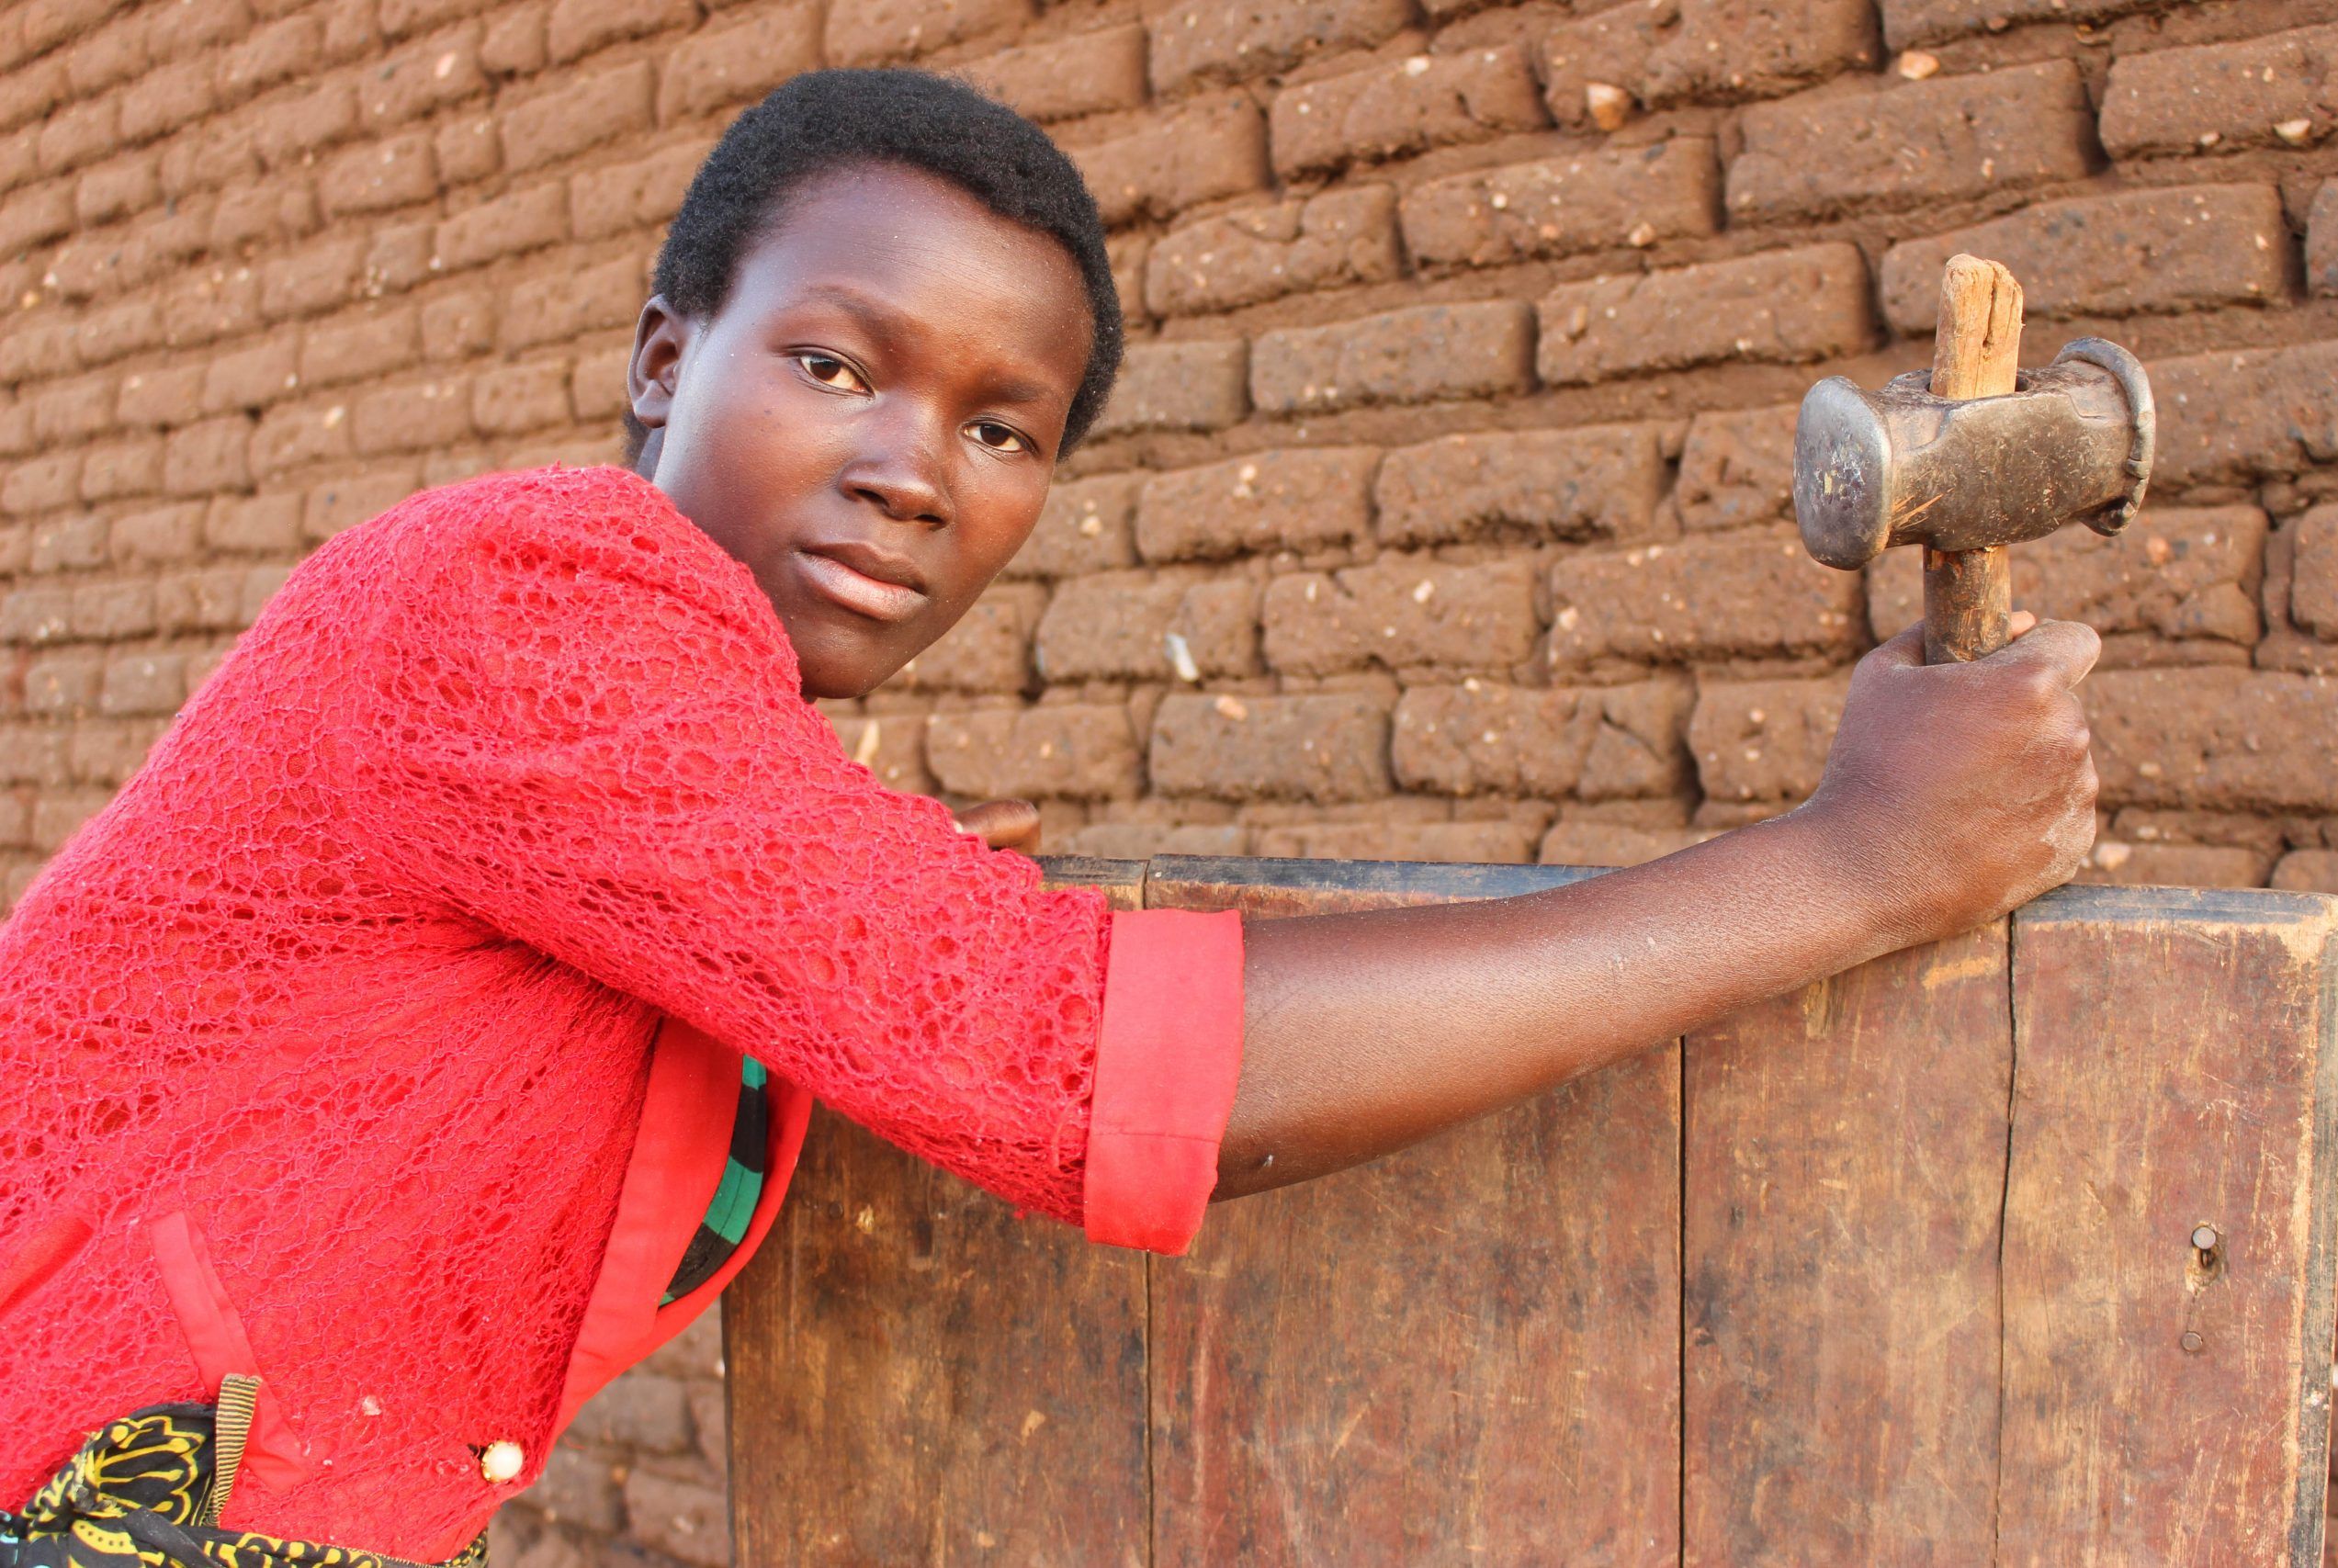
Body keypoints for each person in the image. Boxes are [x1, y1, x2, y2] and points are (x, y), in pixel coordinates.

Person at [0, 68, 2098, 1566]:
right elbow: (1060, 1057)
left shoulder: (683, 732)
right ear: (664, 357)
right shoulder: (531, 593)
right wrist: (1849, 866)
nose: (916, 468)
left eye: (999, 425)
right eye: (833, 367)